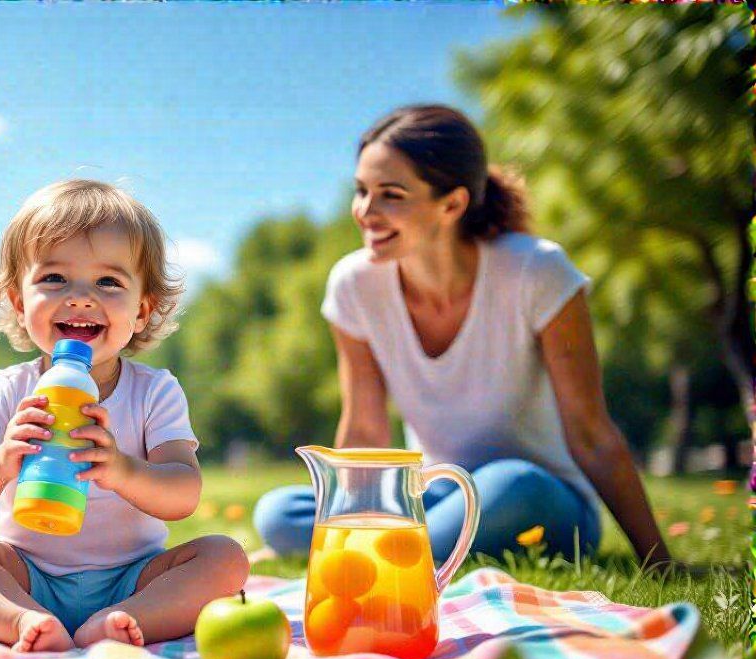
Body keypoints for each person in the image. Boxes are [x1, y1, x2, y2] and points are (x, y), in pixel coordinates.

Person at [253, 104, 675, 570]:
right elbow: (365, 430)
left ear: (451, 204)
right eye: (361, 191)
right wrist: (350, 511)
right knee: (277, 513)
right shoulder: (354, 284)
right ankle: (389, 552)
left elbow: (591, 434)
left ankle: (357, 558)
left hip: (538, 500)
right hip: (435, 492)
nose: (365, 212)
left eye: (391, 194)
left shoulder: (537, 271)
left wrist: (657, 559)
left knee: (511, 484)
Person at [0, 179, 248, 653]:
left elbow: (184, 494)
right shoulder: (10, 388)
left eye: (108, 282)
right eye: (54, 278)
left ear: (142, 310)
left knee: (226, 557)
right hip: (25, 572)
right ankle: (23, 620)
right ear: (19, 300)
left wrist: (122, 470)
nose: (80, 297)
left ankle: (122, 621)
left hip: (133, 578)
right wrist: (2, 459)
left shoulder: (154, 391)